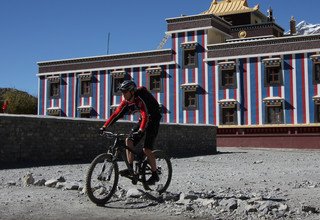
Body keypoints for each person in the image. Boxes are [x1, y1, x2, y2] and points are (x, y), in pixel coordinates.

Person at [100, 80, 162, 185]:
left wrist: (141, 130)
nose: (123, 94)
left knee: (146, 149)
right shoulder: (126, 102)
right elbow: (116, 114)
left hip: (153, 120)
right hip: (143, 119)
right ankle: (130, 169)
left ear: (132, 91)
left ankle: (155, 174)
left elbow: (145, 114)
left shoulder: (140, 99)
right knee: (129, 140)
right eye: (122, 92)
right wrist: (104, 126)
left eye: (125, 92)